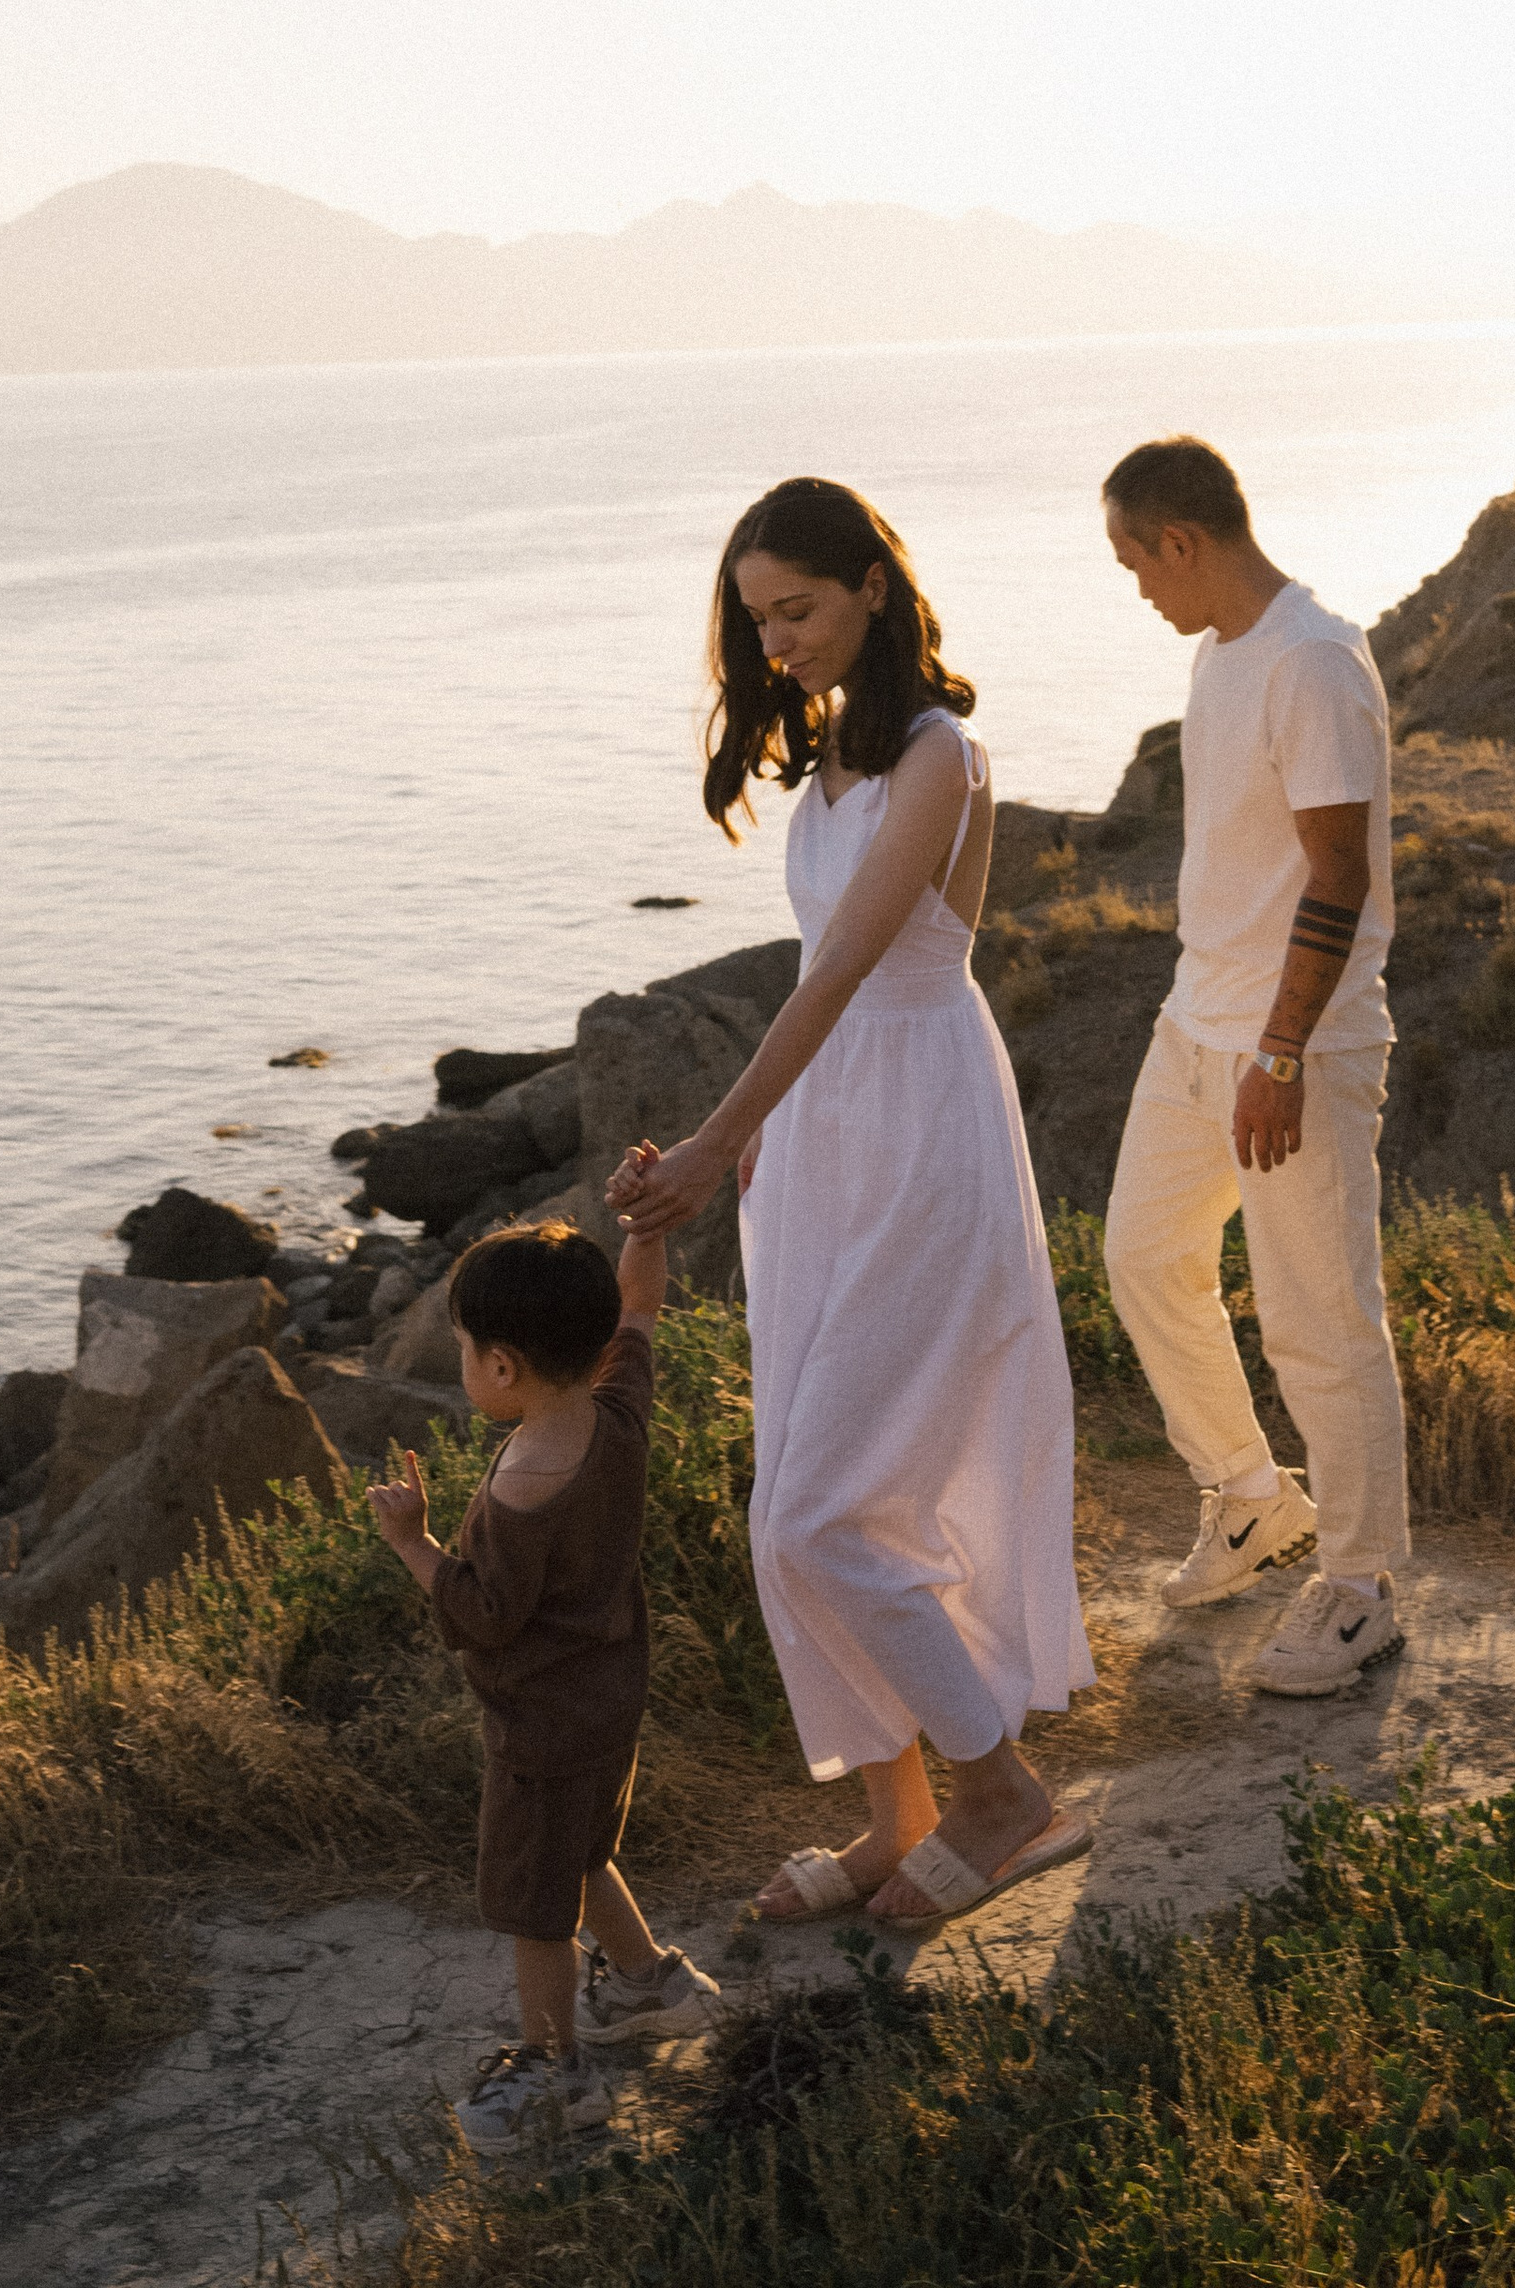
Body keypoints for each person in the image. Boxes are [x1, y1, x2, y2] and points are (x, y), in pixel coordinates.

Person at [607, 477, 1093, 1928]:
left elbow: (846, 978)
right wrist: (766, 1141)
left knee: (822, 1506)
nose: (777, 644)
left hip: (925, 1132)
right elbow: (822, 987)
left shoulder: (943, 758)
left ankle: (1005, 1789)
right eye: (756, 621)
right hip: (823, 1146)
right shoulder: (820, 761)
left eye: (798, 610)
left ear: (873, 586)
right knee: (790, 1515)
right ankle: (901, 1818)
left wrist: (709, 1137)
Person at [1098, 435, 1408, 1698]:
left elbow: (1340, 872)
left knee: (1320, 1320)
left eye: (1134, 562)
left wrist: (1279, 1049)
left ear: (1182, 541)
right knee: (1140, 1255)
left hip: (1298, 1044)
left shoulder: (1315, 661)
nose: (1137, 589)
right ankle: (1247, 1495)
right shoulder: (1216, 657)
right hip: (1195, 1024)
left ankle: (1359, 1586)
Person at [365, 1217, 722, 2156]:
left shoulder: (523, 1489)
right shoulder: (618, 1408)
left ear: (505, 1367)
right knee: (583, 1848)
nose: (463, 1363)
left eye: (464, 1349)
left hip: (542, 1727)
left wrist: (414, 1542)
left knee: (535, 1905)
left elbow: (482, 1615)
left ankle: (551, 2073)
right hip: (610, 1701)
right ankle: (650, 1985)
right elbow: (640, 1308)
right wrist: (646, 1227)